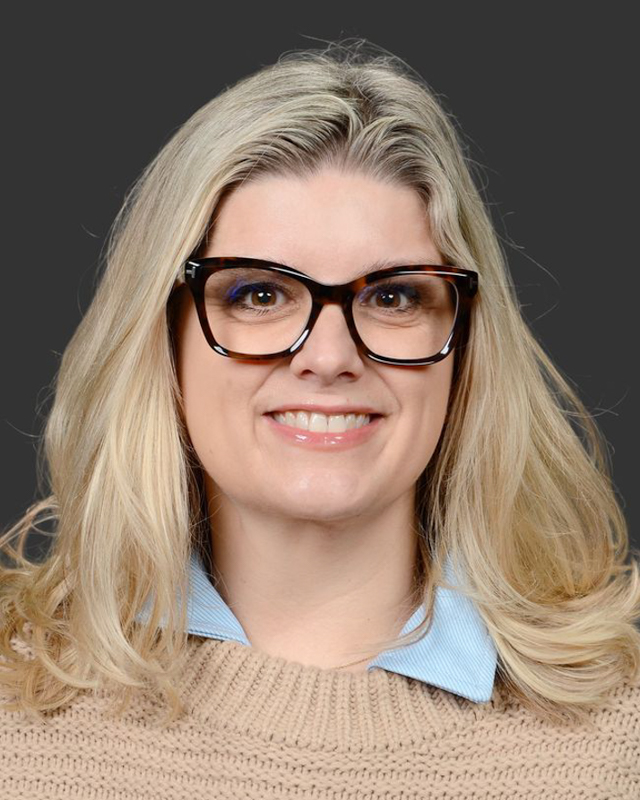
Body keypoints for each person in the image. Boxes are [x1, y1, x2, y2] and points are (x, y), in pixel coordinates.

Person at [1, 38, 639, 799]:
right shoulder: (16, 717)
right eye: (260, 295)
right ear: (162, 338)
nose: (330, 357)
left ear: (467, 350)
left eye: (394, 297)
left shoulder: (619, 742)